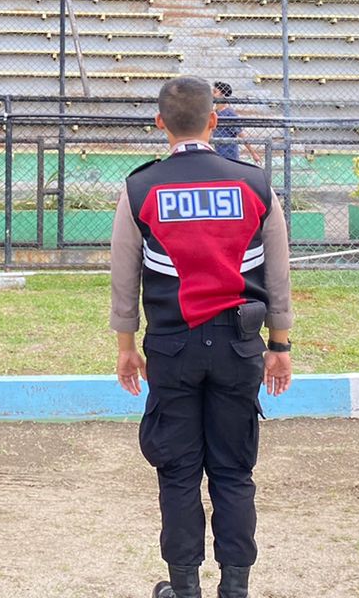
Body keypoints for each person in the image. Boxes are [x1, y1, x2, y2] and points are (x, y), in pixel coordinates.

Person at [110, 75, 294, 598]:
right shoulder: (255, 183)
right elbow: (278, 277)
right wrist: (279, 346)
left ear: (159, 122)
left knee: (178, 471)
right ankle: (235, 588)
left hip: (172, 348)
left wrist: (125, 346)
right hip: (240, 347)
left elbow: (124, 278)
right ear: (215, 121)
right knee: (235, 472)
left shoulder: (140, 186)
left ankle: (183, 587)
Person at [212, 82, 263, 166]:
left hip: (229, 154)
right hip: (218, 152)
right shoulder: (215, 111)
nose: (212, 95)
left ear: (222, 94)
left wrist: (253, 153)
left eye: (215, 92)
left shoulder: (229, 113)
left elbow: (241, 134)